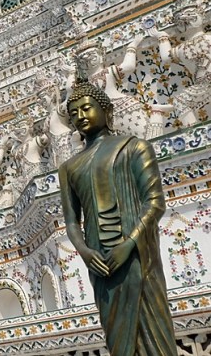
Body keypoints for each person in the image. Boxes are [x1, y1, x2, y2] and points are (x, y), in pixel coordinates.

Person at [58, 79, 177, 356]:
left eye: (86, 108)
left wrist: (129, 243)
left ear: (107, 110)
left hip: (137, 255)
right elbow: (72, 222)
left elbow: (155, 203)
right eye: (74, 113)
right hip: (100, 261)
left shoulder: (134, 147)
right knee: (118, 340)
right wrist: (85, 252)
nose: (80, 116)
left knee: (154, 328)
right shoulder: (69, 168)